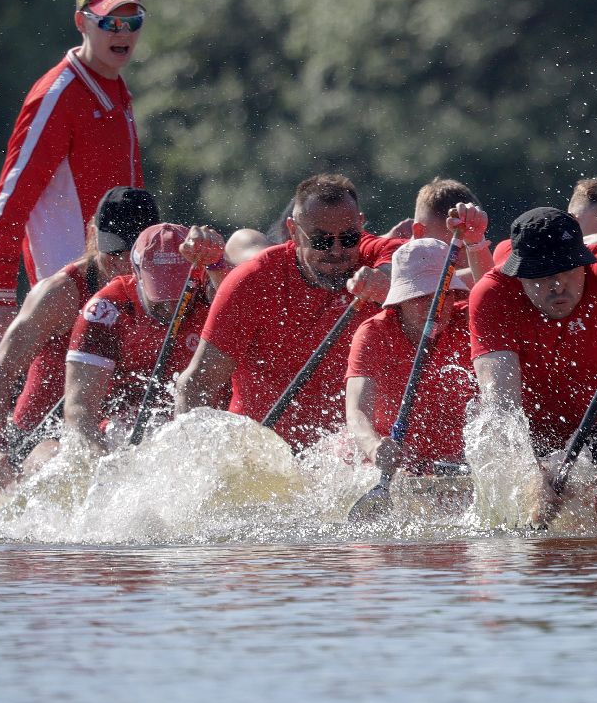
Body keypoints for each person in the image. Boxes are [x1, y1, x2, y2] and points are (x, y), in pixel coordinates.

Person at [0, 0, 149, 343]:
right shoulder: (57, 95)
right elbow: (10, 198)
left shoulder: (116, 88)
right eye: (109, 21)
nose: (122, 32)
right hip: (65, 291)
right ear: (81, 23)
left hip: (115, 285)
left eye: (132, 21)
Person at [174, 174, 398, 450]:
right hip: (262, 454)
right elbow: (197, 381)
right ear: (293, 231)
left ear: (360, 226)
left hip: (342, 456)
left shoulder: (374, 256)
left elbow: (409, 262)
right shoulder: (254, 280)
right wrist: (194, 458)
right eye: (321, 241)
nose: (337, 251)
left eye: (349, 238)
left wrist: (384, 282)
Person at [468, 206, 597, 474]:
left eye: (567, 270)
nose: (558, 285)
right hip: (525, 445)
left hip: (593, 433)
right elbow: (501, 408)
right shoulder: (492, 294)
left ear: (582, 262)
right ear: (520, 275)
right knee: (510, 450)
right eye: (542, 276)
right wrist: (531, 478)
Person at [0, 186, 161, 488]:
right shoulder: (59, 294)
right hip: (46, 433)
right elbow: (0, 371)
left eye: (130, 254)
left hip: (118, 424)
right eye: (112, 252)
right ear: (91, 234)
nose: (121, 265)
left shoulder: (168, 289)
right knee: (62, 466)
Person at [64, 223, 228, 453]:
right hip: (125, 429)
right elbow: (79, 407)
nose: (172, 306)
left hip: (205, 427)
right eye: (161, 295)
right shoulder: (106, 310)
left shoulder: (212, 292)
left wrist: (217, 263)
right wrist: (101, 460)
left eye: (180, 293)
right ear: (137, 273)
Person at [345, 238, 483, 481]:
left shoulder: (469, 321)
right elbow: (356, 412)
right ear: (400, 300)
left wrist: (477, 242)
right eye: (421, 297)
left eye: (444, 295)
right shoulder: (373, 334)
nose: (435, 308)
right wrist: (375, 449)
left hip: (457, 463)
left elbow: (496, 288)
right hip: (394, 461)